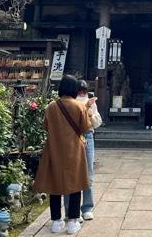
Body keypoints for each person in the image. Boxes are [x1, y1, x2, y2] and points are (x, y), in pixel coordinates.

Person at [34, 75, 91, 235]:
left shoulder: (51, 106)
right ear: (74, 89)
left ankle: (56, 221)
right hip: (74, 151)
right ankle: (73, 221)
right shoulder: (79, 106)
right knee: (76, 185)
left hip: (54, 149)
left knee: (54, 185)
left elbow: (46, 126)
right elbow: (85, 127)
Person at [64, 80, 102, 221]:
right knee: (70, 174)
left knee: (88, 173)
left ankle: (87, 207)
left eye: (85, 90)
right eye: (80, 90)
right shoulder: (69, 102)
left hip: (88, 135)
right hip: (72, 137)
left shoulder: (91, 102)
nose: (82, 93)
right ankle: (70, 211)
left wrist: (91, 114)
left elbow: (97, 122)